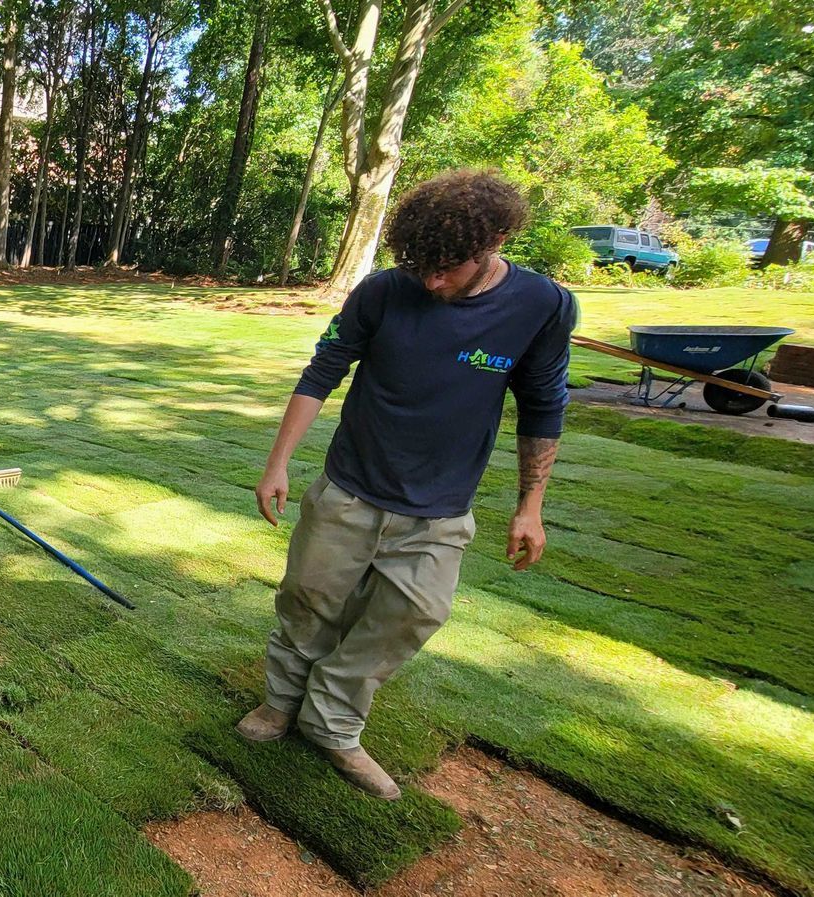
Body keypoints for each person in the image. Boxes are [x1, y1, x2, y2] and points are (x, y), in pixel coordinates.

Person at [237, 169, 575, 799]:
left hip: (441, 507)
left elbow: (543, 403)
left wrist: (531, 506)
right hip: (350, 487)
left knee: (412, 616)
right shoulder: (382, 292)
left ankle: (333, 723)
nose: (431, 281)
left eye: (446, 267)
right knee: (309, 600)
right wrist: (278, 462)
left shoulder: (543, 306)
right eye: (420, 265)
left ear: (497, 239)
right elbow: (323, 370)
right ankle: (281, 703)